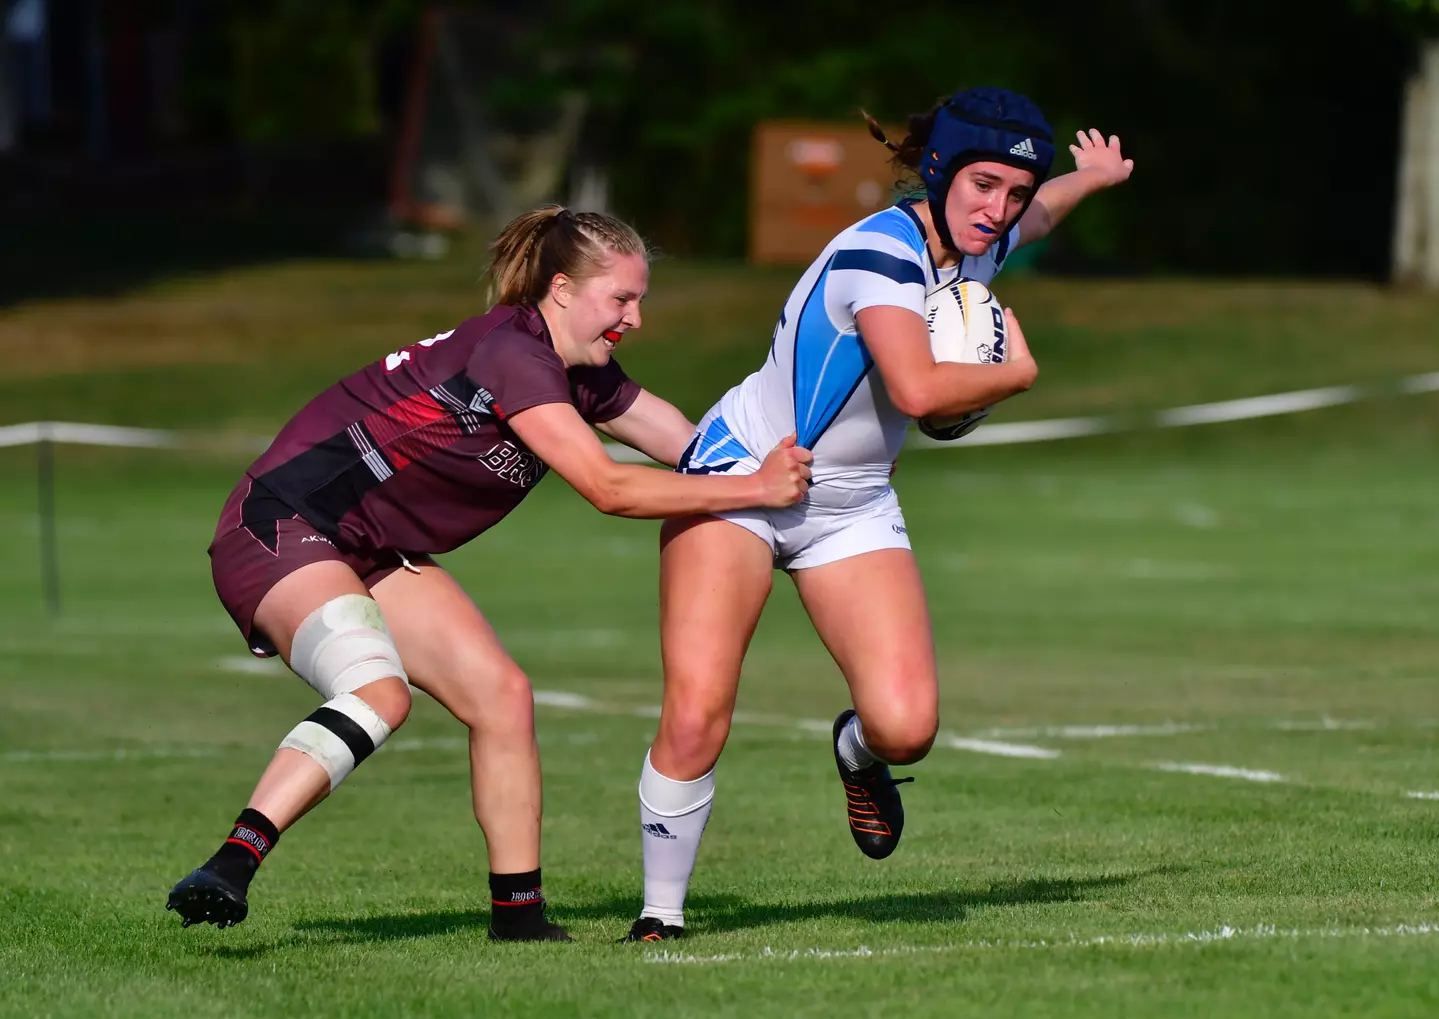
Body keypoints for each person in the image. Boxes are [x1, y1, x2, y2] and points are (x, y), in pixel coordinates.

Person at [166, 207, 813, 942]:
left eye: (640, 300)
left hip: (372, 549)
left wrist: (809, 457)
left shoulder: (580, 372)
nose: (636, 319)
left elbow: (698, 449)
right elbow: (611, 488)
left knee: (501, 697)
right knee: (378, 691)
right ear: (563, 290)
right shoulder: (516, 355)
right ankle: (231, 864)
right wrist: (757, 490)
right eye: (622, 300)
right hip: (282, 525)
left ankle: (519, 917)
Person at [623, 87, 1134, 942]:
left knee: (907, 727)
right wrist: (1018, 373)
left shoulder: (974, 240)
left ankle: (857, 753)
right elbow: (922, 392)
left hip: (850, 502)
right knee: (698, 711)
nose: (997, 210)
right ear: (938, 173)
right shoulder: (883, 256)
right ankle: (659, 917)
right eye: (982, 187)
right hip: (742, 478)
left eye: (1010, 191)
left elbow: (1035, 217)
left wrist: (1085, 180)